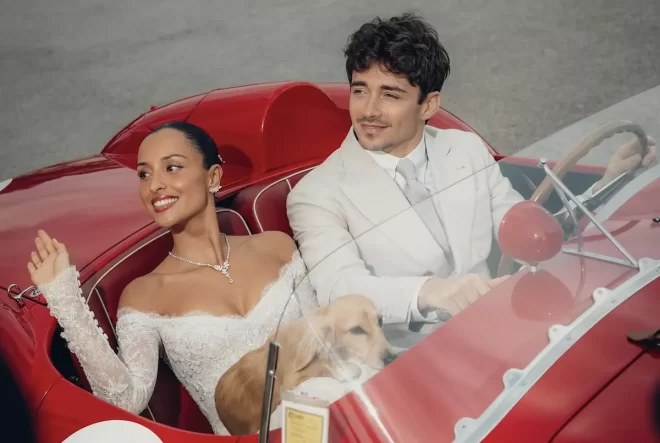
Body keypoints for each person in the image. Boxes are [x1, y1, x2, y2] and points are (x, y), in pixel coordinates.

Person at [286, 13, 657, 332]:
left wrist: (607, 185)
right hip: (409, 360)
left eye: (390, 95)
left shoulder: (464, 148)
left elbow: (523, 229)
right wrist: (431, 292)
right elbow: (339, 288)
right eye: (360, 91)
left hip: (504, 323)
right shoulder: (316, 193)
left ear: (428, 104)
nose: (369, 110)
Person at [27, 121, 319, 435]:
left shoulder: (277, 247)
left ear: (212, 177)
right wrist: (66, 301)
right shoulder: (145, 295)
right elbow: (124, 400)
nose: (154, 185)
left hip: (336, 416)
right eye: (144, 174)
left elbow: (326, 336)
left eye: (172, 168)